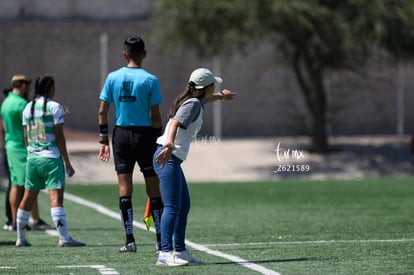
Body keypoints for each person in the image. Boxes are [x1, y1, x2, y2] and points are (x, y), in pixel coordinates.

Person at [154, 68, 236, 266]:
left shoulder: (197, 100)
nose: (214, 87)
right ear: (205, 87)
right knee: (173, 207)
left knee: (183, 205)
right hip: (167, 157)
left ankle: (180, 251)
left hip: (171, 158)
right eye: (213, 85)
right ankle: (165, 253)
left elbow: (211, 99)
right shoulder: (192, 104)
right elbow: (174, 124)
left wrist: (222, 97)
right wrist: (169, 145)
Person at [98, 35, 164, 253]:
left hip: (121, 136)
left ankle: (130, 241)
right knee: (153, 188)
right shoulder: (151, 80)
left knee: (125, 189)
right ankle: (160, 240)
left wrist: (103, 140)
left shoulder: (112, 77)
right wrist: (160, 138)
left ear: (124, 54)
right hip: (145, 136)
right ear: (144, 54)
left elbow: (102, 111)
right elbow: (156, 116)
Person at [15, 75, 85, 247]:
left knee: (27, 199)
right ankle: (64, 238)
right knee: (56, 199)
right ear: (49, 88)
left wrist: (31, 152)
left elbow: (25, 136)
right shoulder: (54, 107)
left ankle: (20, 238)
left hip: (32, 158)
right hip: (51, 159)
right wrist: (67, 162)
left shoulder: (27, 107)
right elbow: (60, 137)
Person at [0, 75, 54, 231]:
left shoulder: (5, 103)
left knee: (17, 184)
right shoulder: (22, 104)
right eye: (27, 86)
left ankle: (19, 220)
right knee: (26, 185)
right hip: (21, 147)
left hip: (10, 146)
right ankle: (27, 220)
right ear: (23, 85)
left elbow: (3, 127)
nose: (29, 89)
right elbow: (33, 126)